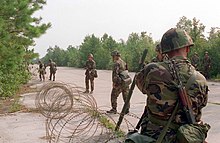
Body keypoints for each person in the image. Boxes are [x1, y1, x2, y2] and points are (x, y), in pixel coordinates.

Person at [125, 28, 210, 143]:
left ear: (164, 51)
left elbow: (141, 85)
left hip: (153, 137)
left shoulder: (152, 70)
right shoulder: (201, 79)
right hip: (185, 138)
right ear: (187, 48)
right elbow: (201, 104)